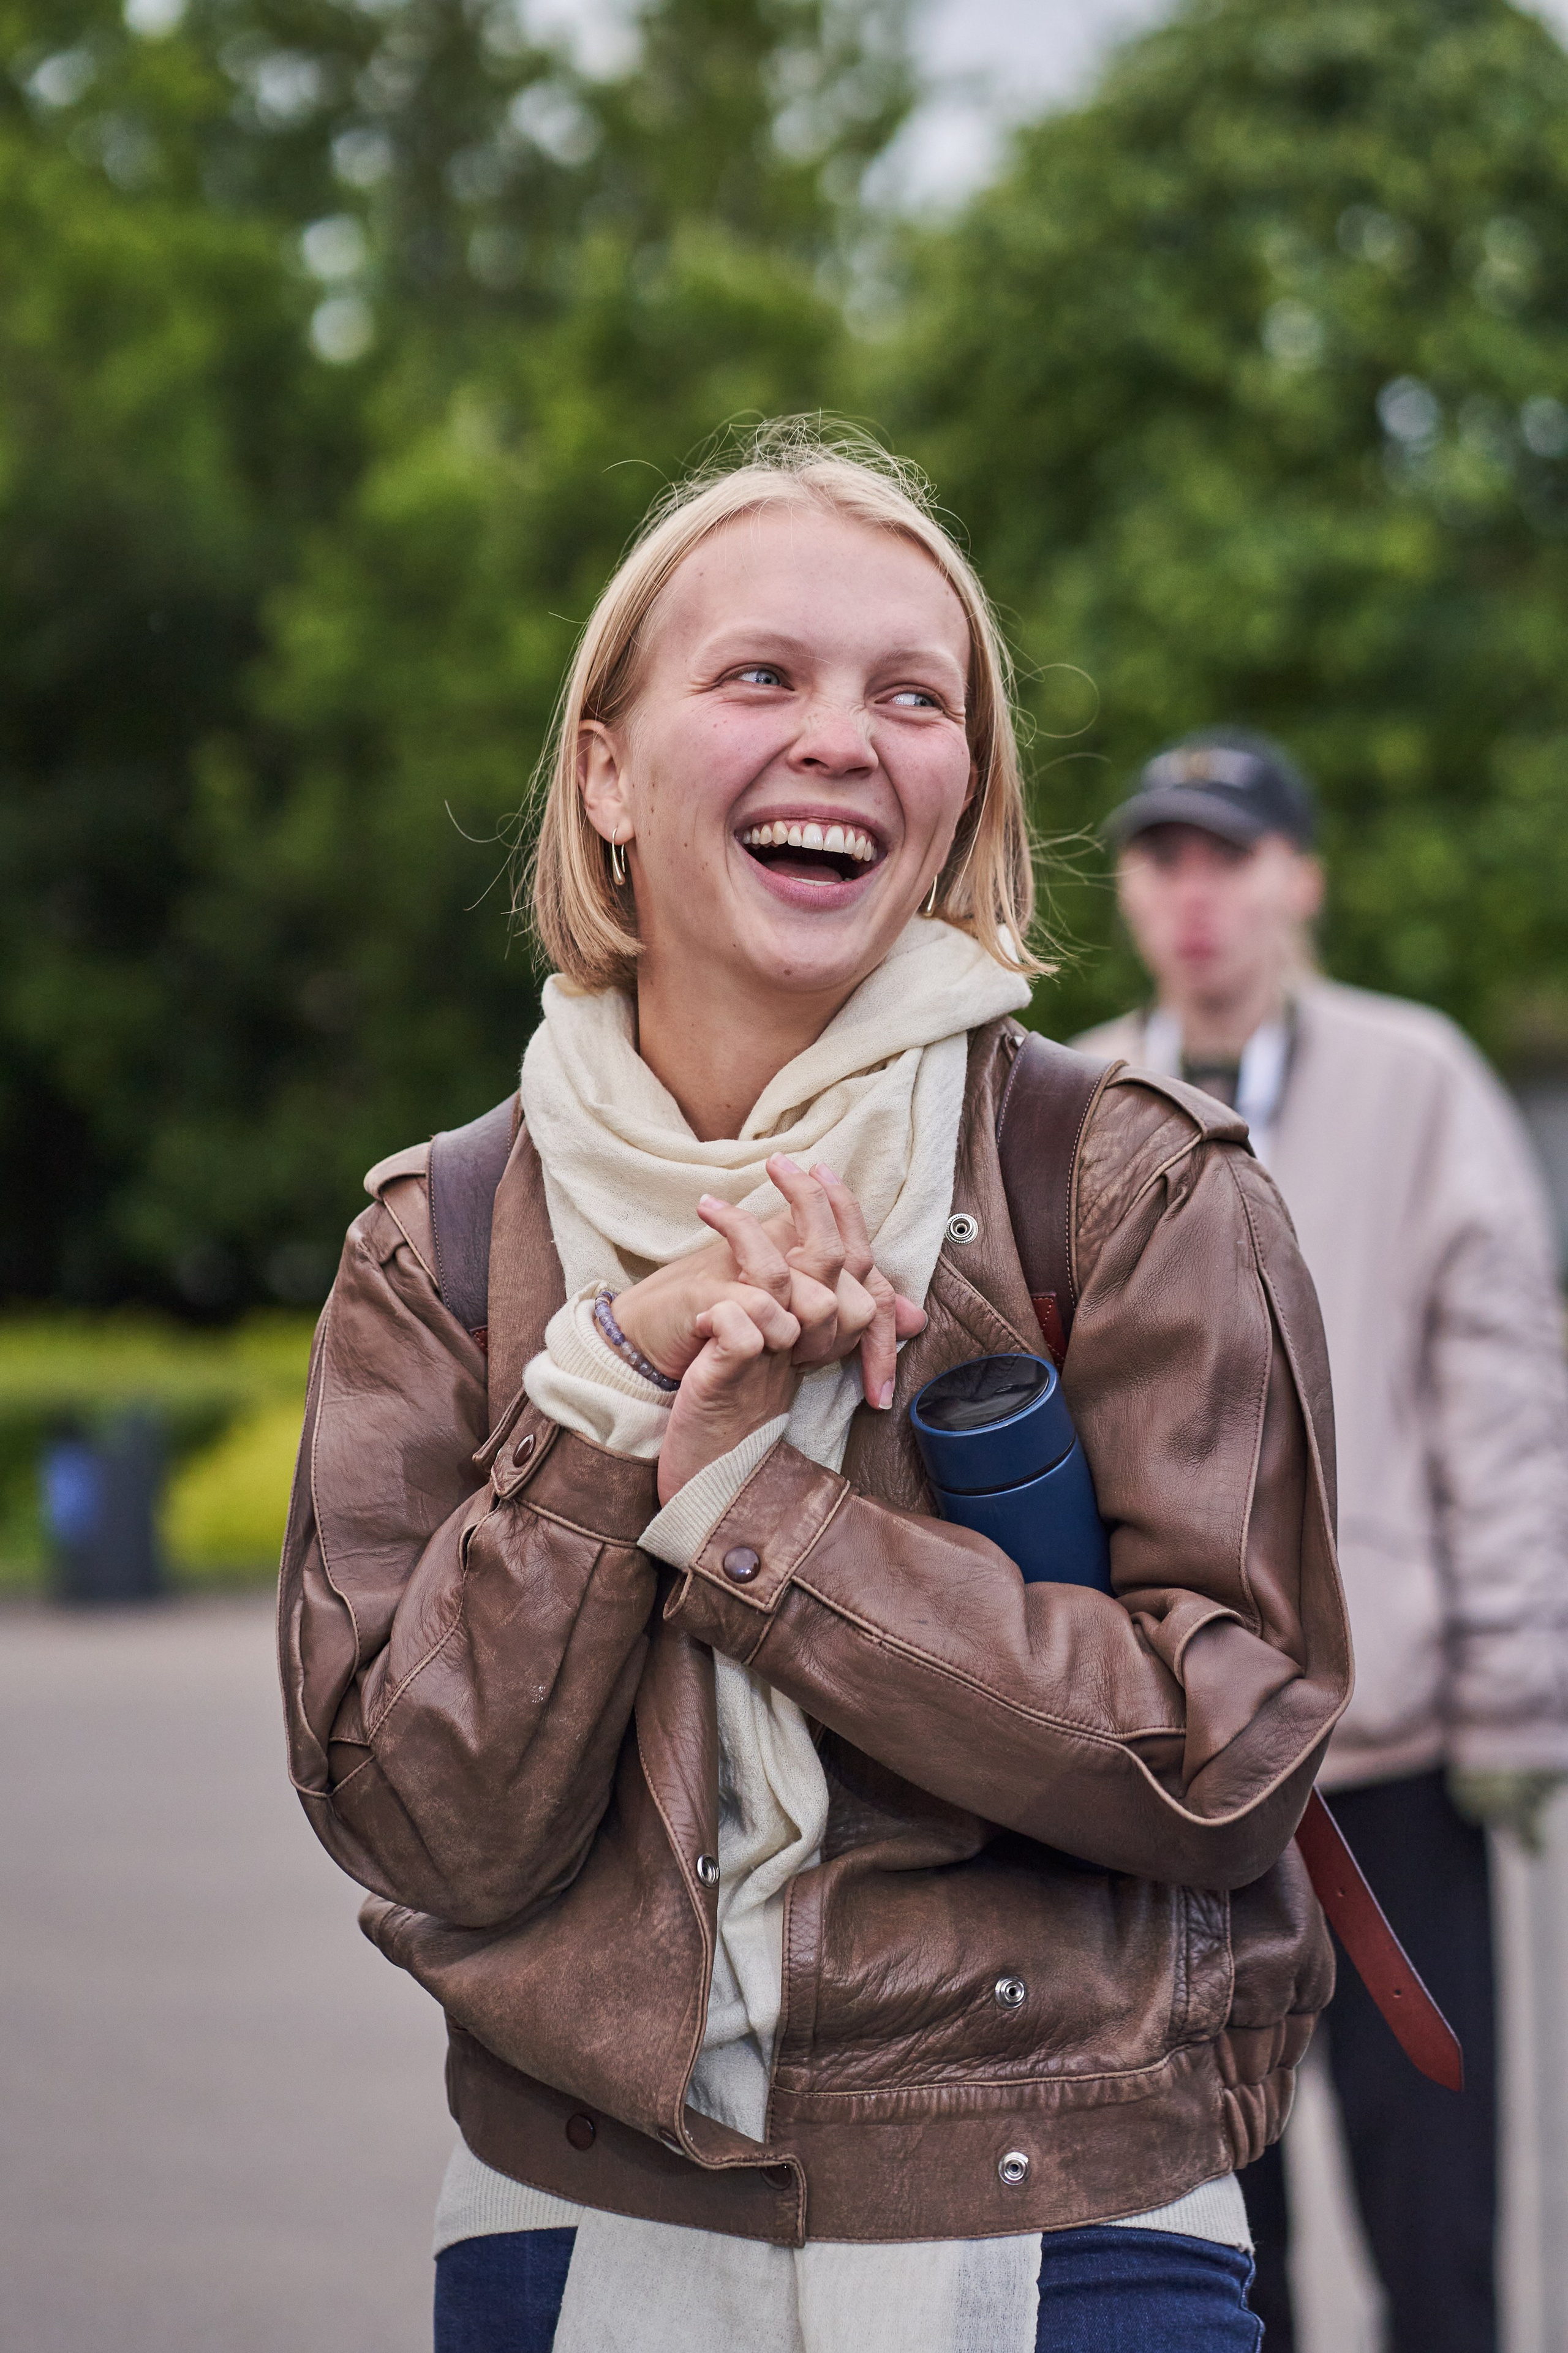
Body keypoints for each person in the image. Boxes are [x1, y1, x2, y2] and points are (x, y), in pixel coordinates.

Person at [278, 432, 1350, 2353]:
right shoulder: (434, 1237)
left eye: (911, 696)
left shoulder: (1127, 1179)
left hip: (1066, 2210)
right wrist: (614, 1396)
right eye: (762, 673)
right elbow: (426, 1823)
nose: (842, 737)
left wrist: (762, 1522)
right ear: (605, 768)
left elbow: (1230, 1753)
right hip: (573, 2212)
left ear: (960, 799)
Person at [1079, 728, 1568, 2353]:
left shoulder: (1418, 1080)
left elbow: (1499, 1397)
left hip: (1394, 1755)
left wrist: (1515, 1691)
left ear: (1301, 876)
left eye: (1232, 853)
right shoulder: (1077, 1095)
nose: (1197, 891)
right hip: (1174, 1776)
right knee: (1218, 2240)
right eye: (1165, 855)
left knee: (1438, 2226)